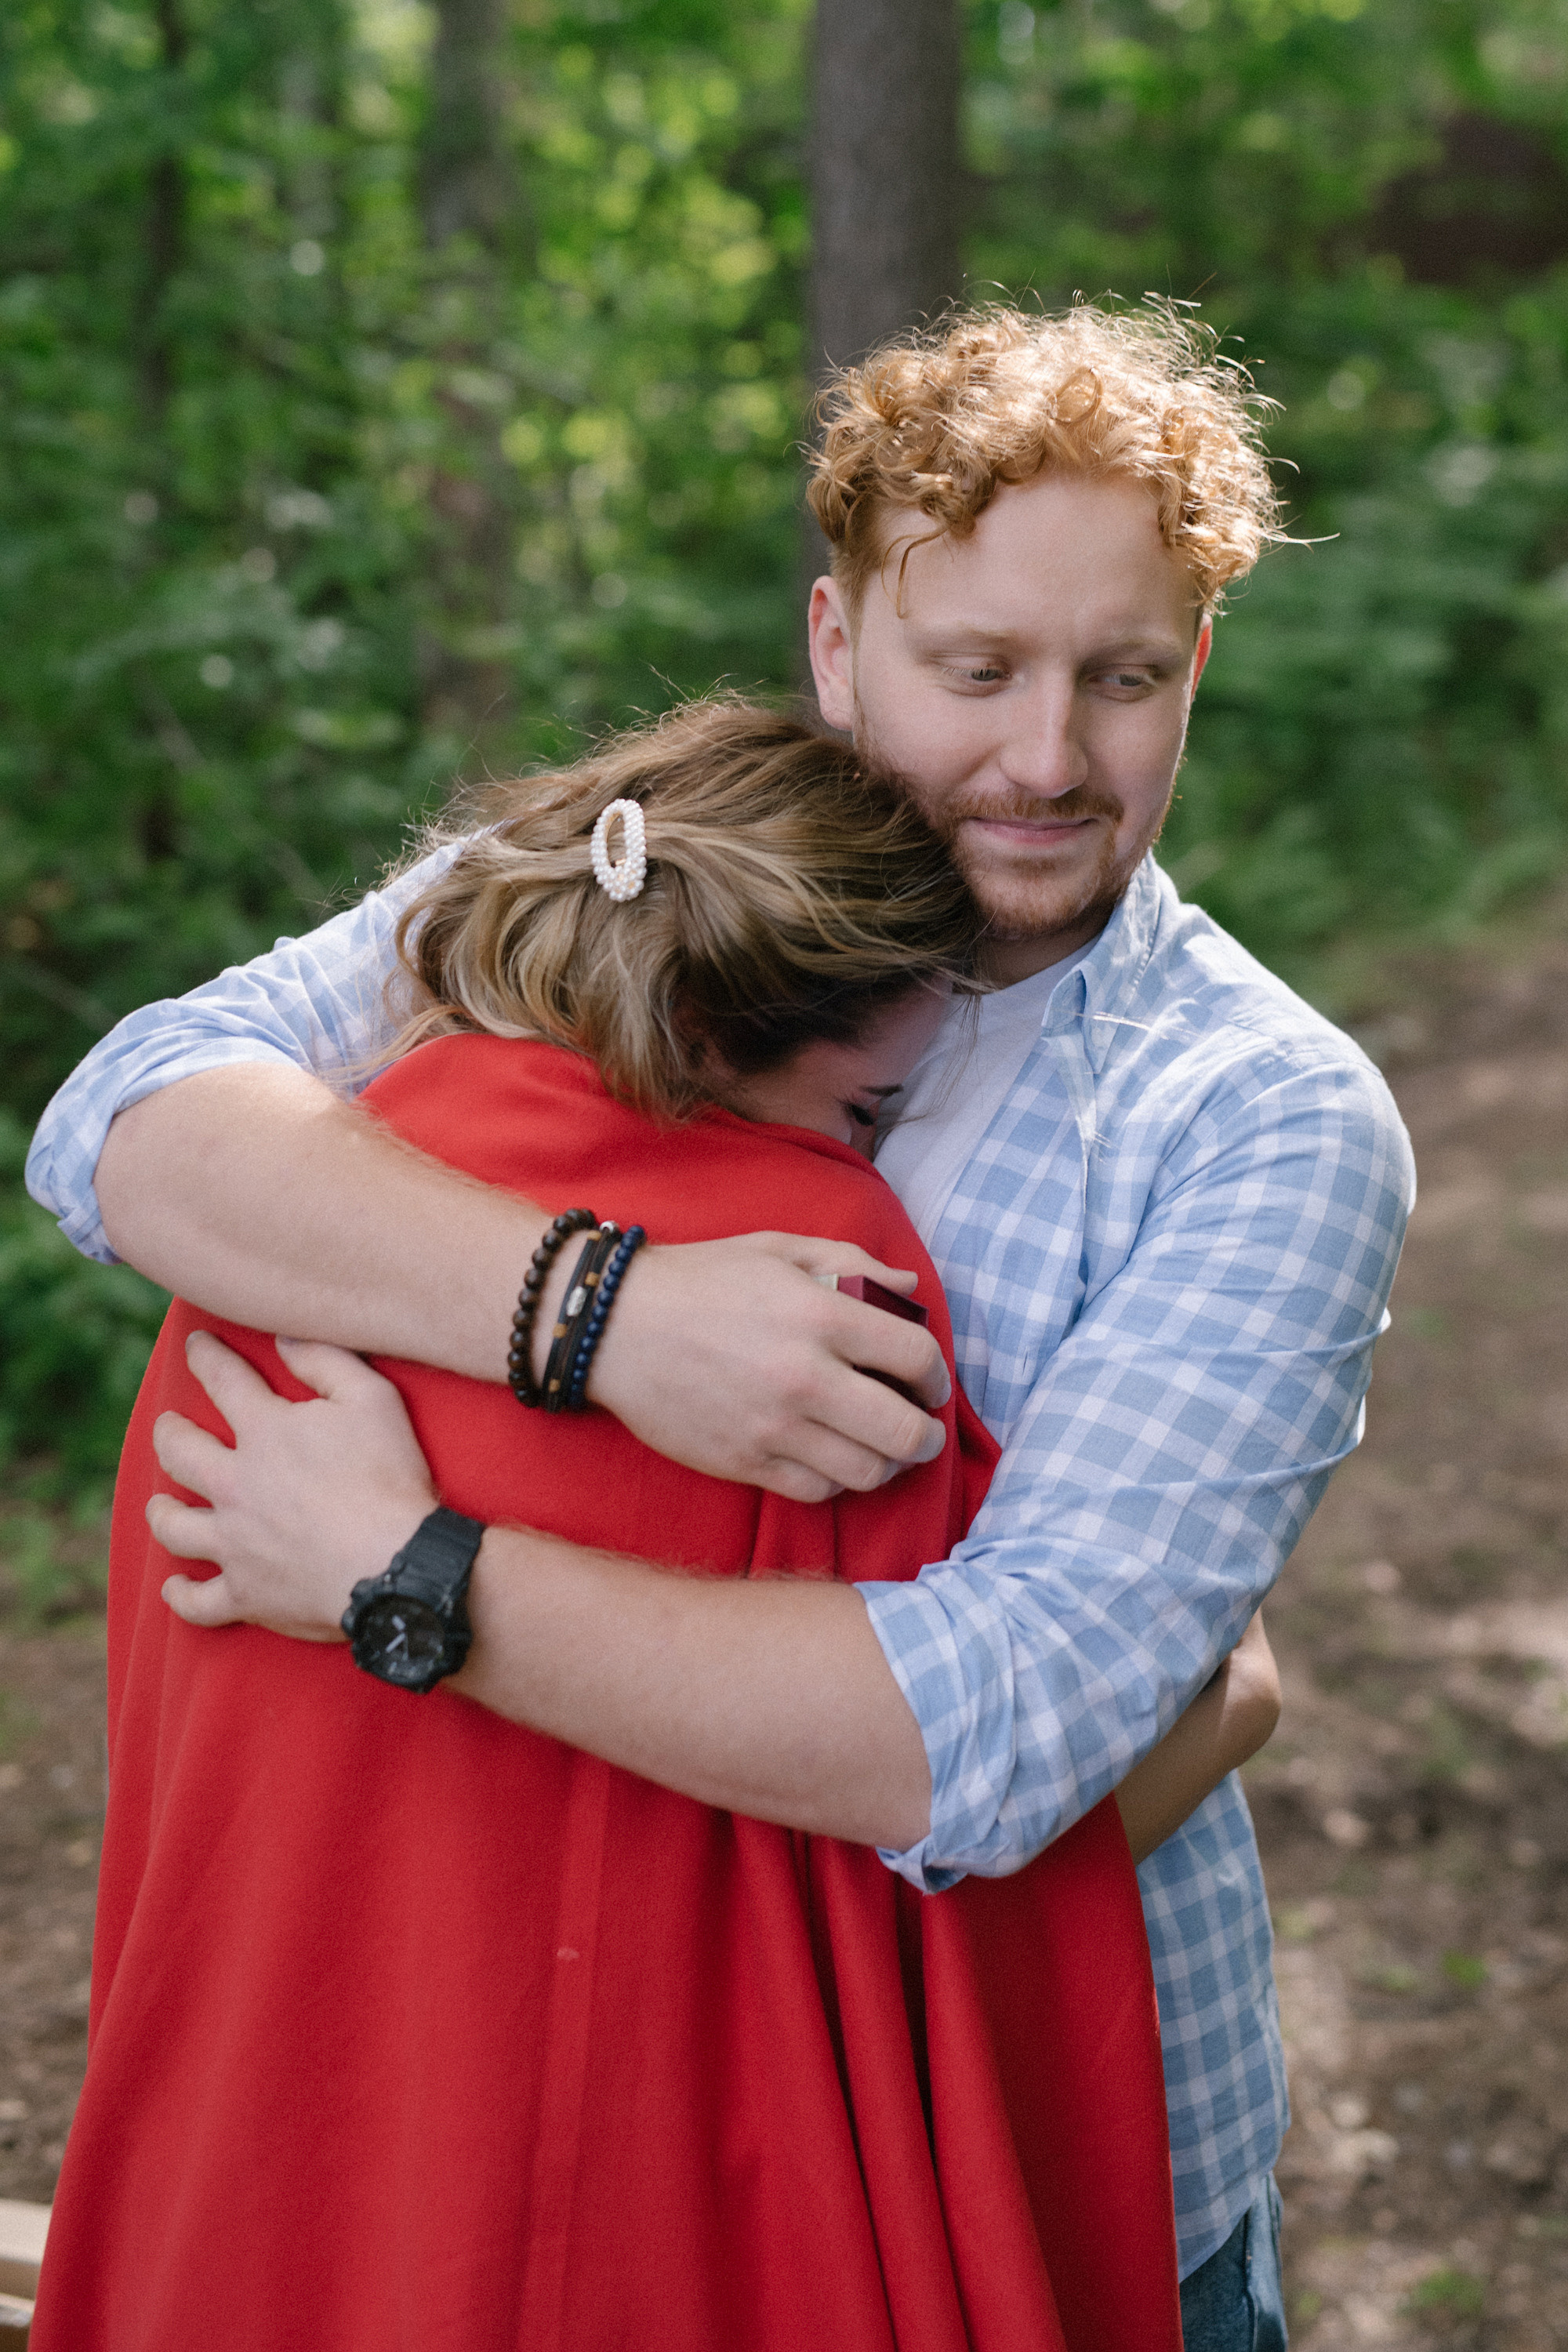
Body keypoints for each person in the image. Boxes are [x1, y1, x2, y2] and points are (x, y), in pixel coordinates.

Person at [27, 302, 1415, 2348]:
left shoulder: (1260, 1119)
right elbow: (129, 1124)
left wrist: (412, 1578)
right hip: (536, 2101)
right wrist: (596, 1314)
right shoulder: (648, 887)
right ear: (840, 640)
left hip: (1041, 2171)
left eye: (1120, 681)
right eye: (976, 670)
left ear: (1193, 668)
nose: (1046, 757)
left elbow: (1005, 1731)